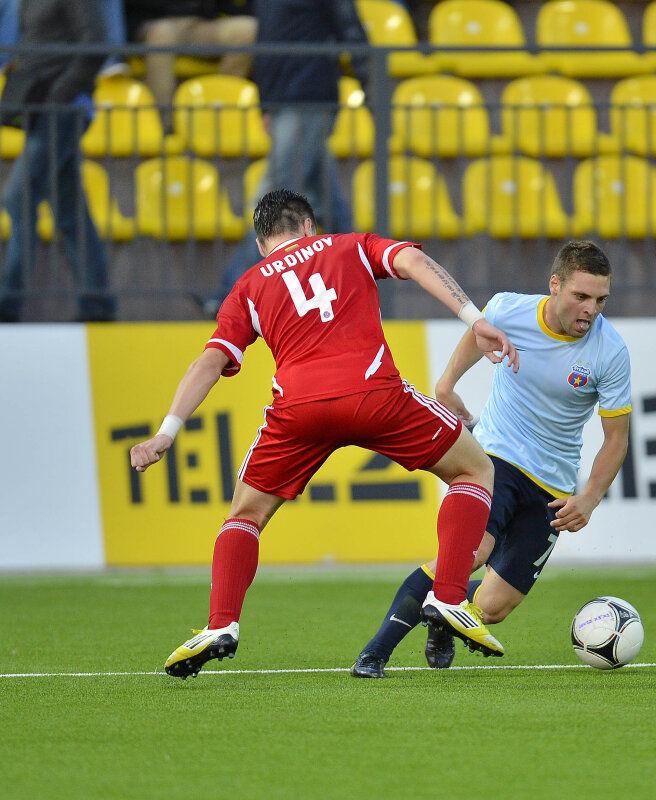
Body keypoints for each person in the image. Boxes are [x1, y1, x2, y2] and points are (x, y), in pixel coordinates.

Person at [129, 188, 520, 679]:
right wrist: (476, 320)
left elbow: (211, 360)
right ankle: (446, 598)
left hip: (300, 411)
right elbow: (415, 262)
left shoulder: (248, 285)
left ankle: (221, 624)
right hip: (374, 395)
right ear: (309, 226)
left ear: (260, 243)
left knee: (245, 514)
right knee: (474, 470)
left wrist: (166, 432)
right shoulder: (350, 245)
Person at [350, 240, 632, 677]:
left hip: (552, 486)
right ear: (554, 286)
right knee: (470, 554)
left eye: (600, 300)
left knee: (494, 607)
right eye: (581, 296)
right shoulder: (508, 310)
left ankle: (444, 617)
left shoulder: (610, 352)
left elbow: (615, 439)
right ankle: (374, 653)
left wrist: (591, 495)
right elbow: (477, 334)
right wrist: (446, 386)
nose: (590, 309)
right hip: (495, 457)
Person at [201, 0, 368, 318]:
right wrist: (267, 102)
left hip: (309, 98)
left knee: (271, 203)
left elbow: (350, 29)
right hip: (288, 101)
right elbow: (267, 44)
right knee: (329, 203)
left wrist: (373, 92)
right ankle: (364, 281)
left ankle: (228, 295)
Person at [0, 0, 116, 322]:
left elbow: (96, 45)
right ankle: (97, 304)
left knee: (18, 197)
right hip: (43, 109)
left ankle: (8, 303)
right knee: (69, 212)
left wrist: (59, 95)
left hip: (63, 109)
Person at [123, 0, 256, 126]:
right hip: (152, 20)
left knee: (248, 30)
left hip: (196, 22)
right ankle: (164, 127)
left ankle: (212, 117)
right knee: (161, 34)